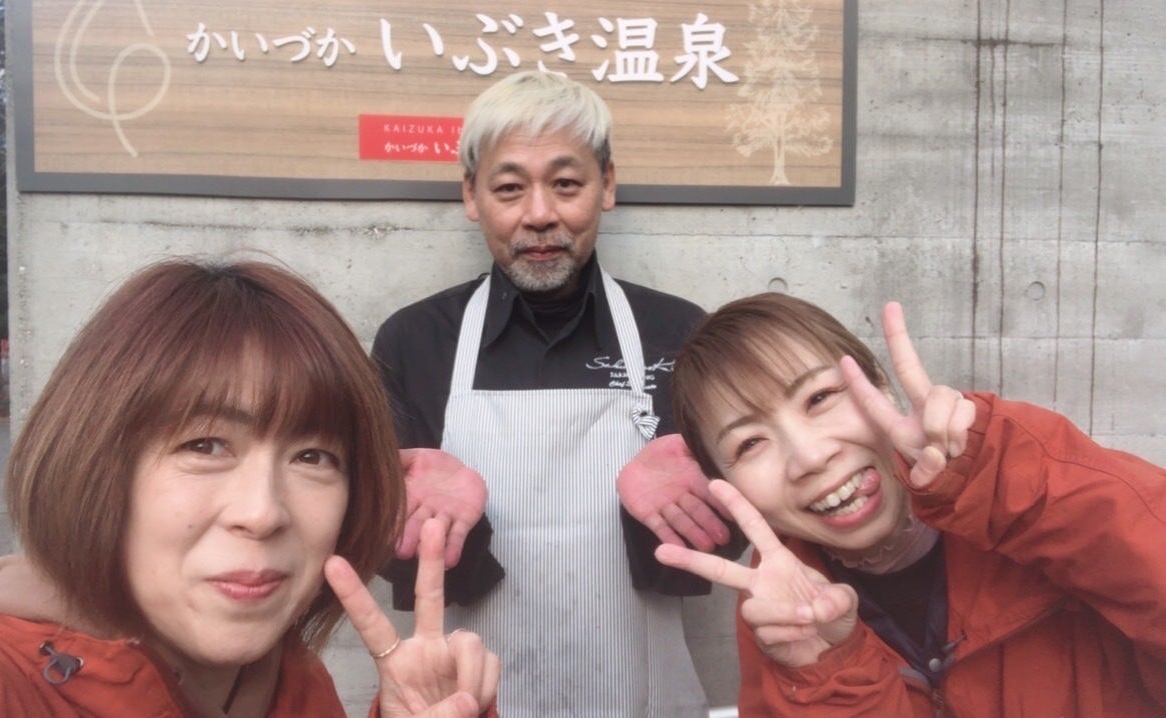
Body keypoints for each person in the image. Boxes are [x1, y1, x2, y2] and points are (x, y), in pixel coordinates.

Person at [0, 259, 499, 717]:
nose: (262, 513)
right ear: (96, 463)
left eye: (312, 456)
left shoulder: (296, 686)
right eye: (204, 446)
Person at [371, 70, 731, 715]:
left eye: (566, 184)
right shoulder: (415, 340)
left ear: (607, 186)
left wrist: (681, 514)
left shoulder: (678, 333)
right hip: (467, 701)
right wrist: (436, 532)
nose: (539, 215)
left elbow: (714, 555)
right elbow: (390, 555)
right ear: (472, 196)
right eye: (509, 188)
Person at [653, 293, 1166, 716]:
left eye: (819, 398)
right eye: (749, 444)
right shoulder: (781, 615)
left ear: (880, 385)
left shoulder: (1037, 508)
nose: (809, 457)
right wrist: (826, 672)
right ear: (726, 485)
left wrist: (1003, 477)